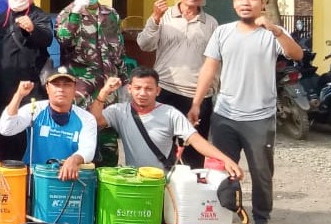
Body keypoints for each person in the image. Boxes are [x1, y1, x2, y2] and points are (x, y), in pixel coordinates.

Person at [190, 0, 303, 224]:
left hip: (259, 117)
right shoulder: (223, 32)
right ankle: (221, 219)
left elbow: (296, 54)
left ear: (262, 3)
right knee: (222, 170)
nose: (246, 2)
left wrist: (276, 31)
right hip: (225, 114)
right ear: (234, 3)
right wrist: (196, 103)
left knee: (262, 172)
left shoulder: (272, 33)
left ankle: (262, 221)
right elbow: (209, 68)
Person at [136, 0, 220, 168]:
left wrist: (212, 91)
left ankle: (188, 195)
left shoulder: (211, 23)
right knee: (158, 146)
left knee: (193, 152)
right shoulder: (163, 17)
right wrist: (154, 18)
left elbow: (215, 61)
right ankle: (160, 192)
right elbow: (144, 44)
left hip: (198, 96)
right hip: (165, 90)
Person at [88, 69, 242, 177]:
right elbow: (95, 120)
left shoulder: (170, 113)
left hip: (164, 182)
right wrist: (104, 92)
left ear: (158, 91)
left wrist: (225, 159)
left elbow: (196, 140)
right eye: (138, 88)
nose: (142, 93)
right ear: (129, 89)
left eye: (149, 89)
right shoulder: (119, 111)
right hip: (135, 180)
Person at [55, 0, 124, 167]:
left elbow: (119, 51)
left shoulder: (111, 15)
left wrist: (125, 82)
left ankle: (107, 189)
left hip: (109, 90)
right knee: (80, 143)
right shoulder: (67, 14)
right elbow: (64, 40)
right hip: (81, 90)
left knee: (108, 145)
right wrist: (76, 11)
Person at [0, 0, 54, 162]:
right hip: (0, 92)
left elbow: (47, 38)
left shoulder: (39, 16)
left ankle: (27, 186)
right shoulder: (0, 18)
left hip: (29, 93)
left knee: (25, 142)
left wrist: (33, 28)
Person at [0, 70, 98, 180]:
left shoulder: (86, 118)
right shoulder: (34, 109)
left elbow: (88, 149)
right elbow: (6, 129)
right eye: (56, 85)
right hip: (34, 178)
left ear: (75, 89)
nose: (61, 89)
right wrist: (19, 95)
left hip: (68, 178)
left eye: (67, 85)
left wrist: (73, 160)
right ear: (47, 88)